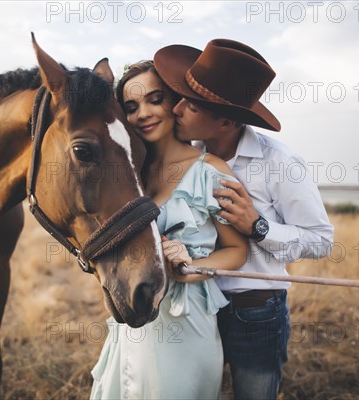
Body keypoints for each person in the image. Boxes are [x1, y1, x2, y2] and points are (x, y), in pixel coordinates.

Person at [153, 39, 335, 399]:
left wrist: (258, 227)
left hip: (256, 311)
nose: (176, 109)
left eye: (190, 104)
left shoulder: (280, 163)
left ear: (224, 119)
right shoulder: (188, 159)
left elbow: (321, 240)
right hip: (196, 306)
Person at [90, 61, 249, 399]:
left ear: (174, 102)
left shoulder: (210, 171)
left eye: (154, 99)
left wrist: (192, 266)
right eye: (131, 107)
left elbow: (238, 251)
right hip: (133, 313)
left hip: (186, 321)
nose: (143, 113)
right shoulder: (132, 174)